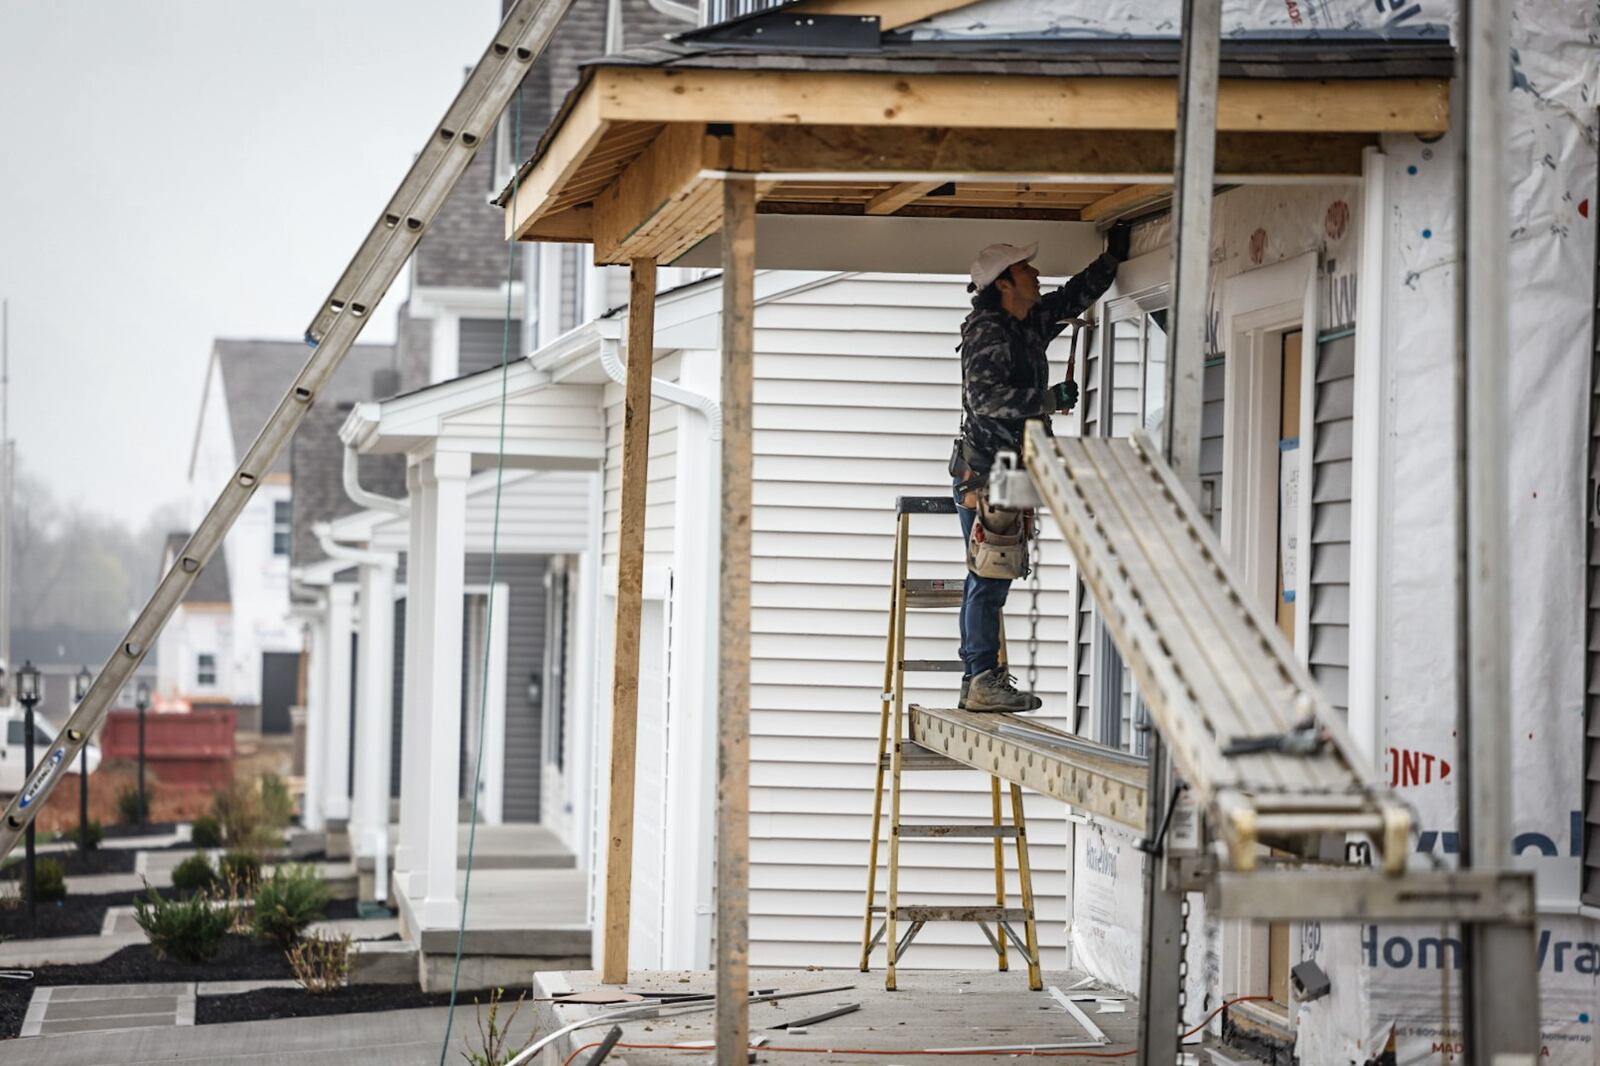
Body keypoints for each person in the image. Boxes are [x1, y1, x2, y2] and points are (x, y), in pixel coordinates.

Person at [953, 225, 1130, 712]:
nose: (1035, 274)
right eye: (1025, 269)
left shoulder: (1026, 321)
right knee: (989, 575)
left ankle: (981, 678)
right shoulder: (988, 331)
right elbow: (984, 399)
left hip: (1011, 471)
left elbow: (1074, 295)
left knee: (997, 574)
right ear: (1004, 283)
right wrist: (1046, 400)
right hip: (987, 475)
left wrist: (1112, 259)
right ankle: (980, 679)